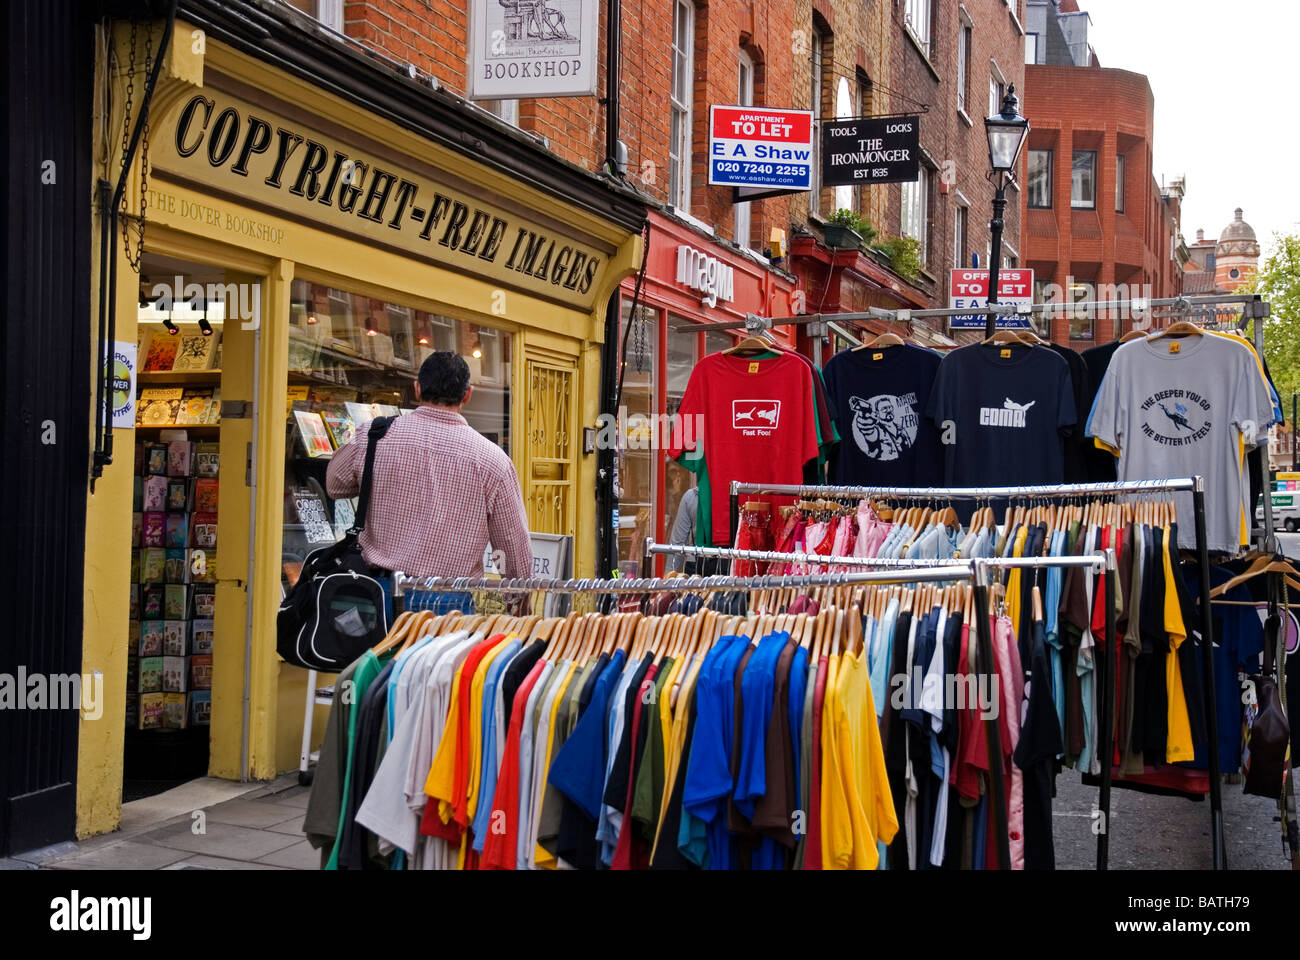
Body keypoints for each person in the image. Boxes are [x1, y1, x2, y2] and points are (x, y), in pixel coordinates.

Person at [326, 351, 532, 616]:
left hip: (376, 591)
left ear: (417, 388)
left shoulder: (373, 434)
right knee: (438, 660)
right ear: (468, 394)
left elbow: (334, 484)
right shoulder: (493, 460)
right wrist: (517, 601)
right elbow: (512, 546)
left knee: (371, 659)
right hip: (447, 600)